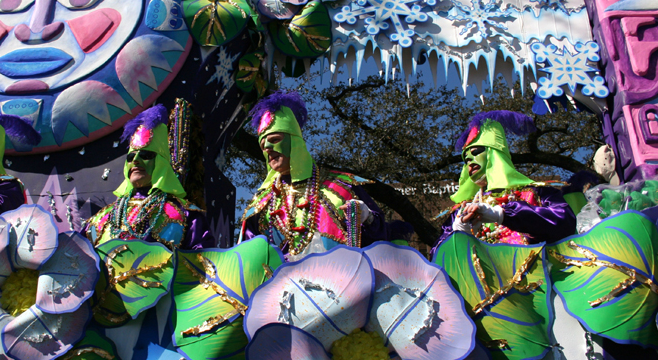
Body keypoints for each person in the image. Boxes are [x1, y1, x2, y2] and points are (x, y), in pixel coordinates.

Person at [239, 91, 393, 258]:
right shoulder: (260, 206)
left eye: (275, 139)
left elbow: (380, 243)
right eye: (262, 145)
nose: (267, 148)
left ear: (295, 141)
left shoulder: (342, 187)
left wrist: (367, 219)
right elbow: (247, 262)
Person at [431, 110, 576, 255]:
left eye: (476, 153)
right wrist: (458, 235)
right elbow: (436, 257)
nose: (471, 162)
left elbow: (565, 221)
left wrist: (503, 214)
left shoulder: (536, 193)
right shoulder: (462, 210)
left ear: (494, 154)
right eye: (467, 159)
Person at [87, 105, 213, 250]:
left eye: (146, 155)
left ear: (161, 163)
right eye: (131, 157)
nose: (136, 160)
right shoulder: (100, 218)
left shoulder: (187, 215)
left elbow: (203, 263)